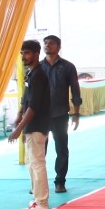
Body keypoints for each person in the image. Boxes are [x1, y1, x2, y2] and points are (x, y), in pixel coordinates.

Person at [9, 40, 52, 209]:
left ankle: (42, 202)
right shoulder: (31, 73)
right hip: (32, 125)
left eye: (26, 53)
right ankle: (37, 198)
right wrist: (19, 113)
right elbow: (26, 98)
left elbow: (33, 106)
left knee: (37, 163)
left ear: (36, 54)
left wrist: (19, 128)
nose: (23, 57)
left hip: (37, 125)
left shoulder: (38, 75)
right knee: (31, 162)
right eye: (21, 53)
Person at [40, 34, 81, 194]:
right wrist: (23, 113)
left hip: (60, 115)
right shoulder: (37, 67)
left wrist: (76, 114)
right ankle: (38, 183)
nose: (47, 45)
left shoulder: (68, 67)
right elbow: (29, 92)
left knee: (62, 149)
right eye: (45, 43)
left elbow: (75, 90)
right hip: (40, 116)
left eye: (51, 43)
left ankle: (60, 182)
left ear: (59, 47)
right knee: (38, 152)